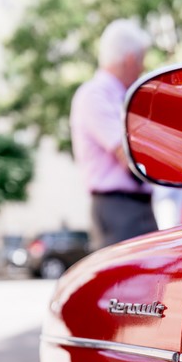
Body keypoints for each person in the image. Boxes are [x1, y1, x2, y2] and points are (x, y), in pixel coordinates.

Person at [70, 19, 158, 249]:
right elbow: (129, 155)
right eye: (141, 60)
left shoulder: (118, 96)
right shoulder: (95, 95)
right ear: (130, 59)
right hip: (119, 209)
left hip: (131, 207)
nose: (142, 68)